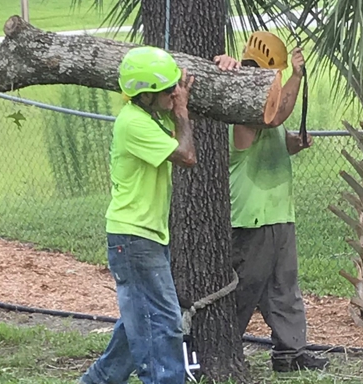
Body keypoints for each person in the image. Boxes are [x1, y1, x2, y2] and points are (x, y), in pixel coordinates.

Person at [79, 46, 196, 384]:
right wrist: (183, 112)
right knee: (164, 322)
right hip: (135, 238)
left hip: (143, 236)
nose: (175, 92)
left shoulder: (147, 117)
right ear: (146, 93)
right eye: (168, 88)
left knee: (137, 322)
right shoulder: (134, 124)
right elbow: (187, 156)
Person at [214, 31, 329, 373]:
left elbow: (279, 135)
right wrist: (295, 76)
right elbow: (273, 118)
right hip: (252, 219)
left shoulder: (265, 105)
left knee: (285, 288)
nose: (275, 80)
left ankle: (289, 354)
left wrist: (296, 142)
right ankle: (219, 348)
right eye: (273, 73)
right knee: (244, 289)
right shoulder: (244, 112)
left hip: (279, 214)